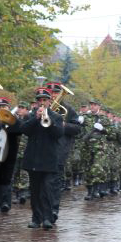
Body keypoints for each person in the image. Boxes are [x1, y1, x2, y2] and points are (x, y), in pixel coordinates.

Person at [19, 87, 63, 229]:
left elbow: (58, 134)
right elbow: (23, 130)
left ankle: (48, 218)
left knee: (48, 190)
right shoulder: (30, 116)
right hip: (33, 159)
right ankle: (36, 218)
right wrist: (36, 119)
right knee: (35, 191)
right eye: (40, 100)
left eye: (45, 100)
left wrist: (48, 121)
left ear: (50, 101)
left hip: (49, 159)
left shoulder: (56, 117)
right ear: (36, 102)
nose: (42, 103)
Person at [45, 80, 80, 223]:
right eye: (51, 92)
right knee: (41, 183)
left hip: (59, 151)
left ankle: (53, 210)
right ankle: (41, 212)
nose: (53, 95)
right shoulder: (42, 107)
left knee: (54, 182)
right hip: (43, 150)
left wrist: (64, 124)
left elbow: (77, 129)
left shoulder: (68, 109)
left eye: (56, 92)